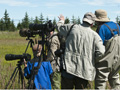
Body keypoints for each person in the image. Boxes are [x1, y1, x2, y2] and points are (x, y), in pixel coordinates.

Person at [56, 12, 105, 89]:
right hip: (84, 71)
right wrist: (93, 60)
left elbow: (59, 27)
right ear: (92, 24)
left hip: (68, 67)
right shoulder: (95, 36)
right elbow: (101, 52)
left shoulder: (71, 28)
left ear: (83, 20)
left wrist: (61, 20)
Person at [94, 9, 120, 89]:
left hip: (105, 60)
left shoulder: (101, 28)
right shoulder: (117, 25)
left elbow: (98, 45)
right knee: (115, 78)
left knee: (101, 81)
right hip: (118, 58)